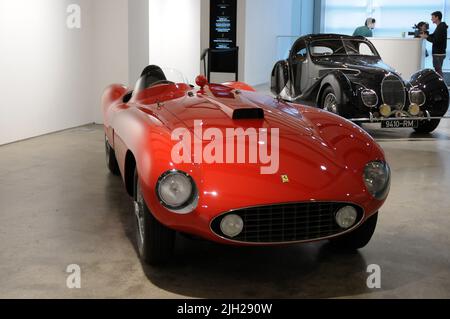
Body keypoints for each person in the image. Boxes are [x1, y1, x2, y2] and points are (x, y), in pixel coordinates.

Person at [422, 11, 448, 77]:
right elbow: (434, 35)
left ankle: (441, 85)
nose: (431, 19)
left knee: (438, 71)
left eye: (432, 17)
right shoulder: (440, 26)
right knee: (438, 70)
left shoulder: (441, 27)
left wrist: (427, 37)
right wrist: (426, 35)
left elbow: (436, 40)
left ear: (437, 17)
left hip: (438, 53)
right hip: (440, 52)